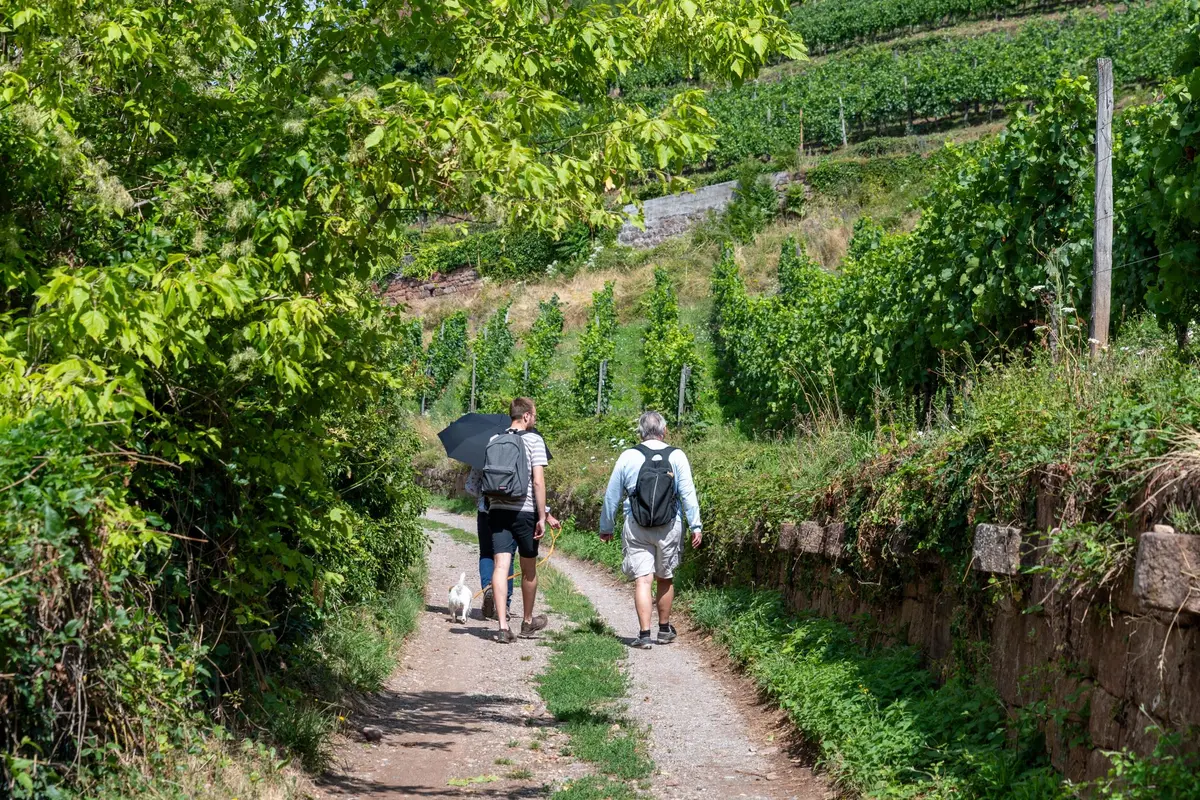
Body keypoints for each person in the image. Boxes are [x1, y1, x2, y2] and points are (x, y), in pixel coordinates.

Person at [599, 410, 702, 649]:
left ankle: (644, 635)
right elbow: (688, 494)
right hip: (669, 525)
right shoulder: (676, 455)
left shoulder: (628, 456)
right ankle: (664, 630)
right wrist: (696, 525)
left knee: (643, 580)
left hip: (637, 525)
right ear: (664, 431)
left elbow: (612, 495)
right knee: (665, 577)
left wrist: (606, 526)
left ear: (641, 433)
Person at [487, 397, 556, 642]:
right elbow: (538, 481)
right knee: (528, 569)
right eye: (534, 415)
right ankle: (527, 622)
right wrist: (542, 516)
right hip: (524, 512)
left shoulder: (494, 439)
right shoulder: (534, 440)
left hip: (497, 509)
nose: (534, 420)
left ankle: (502, 627)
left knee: (501, 566)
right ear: (526, 416)